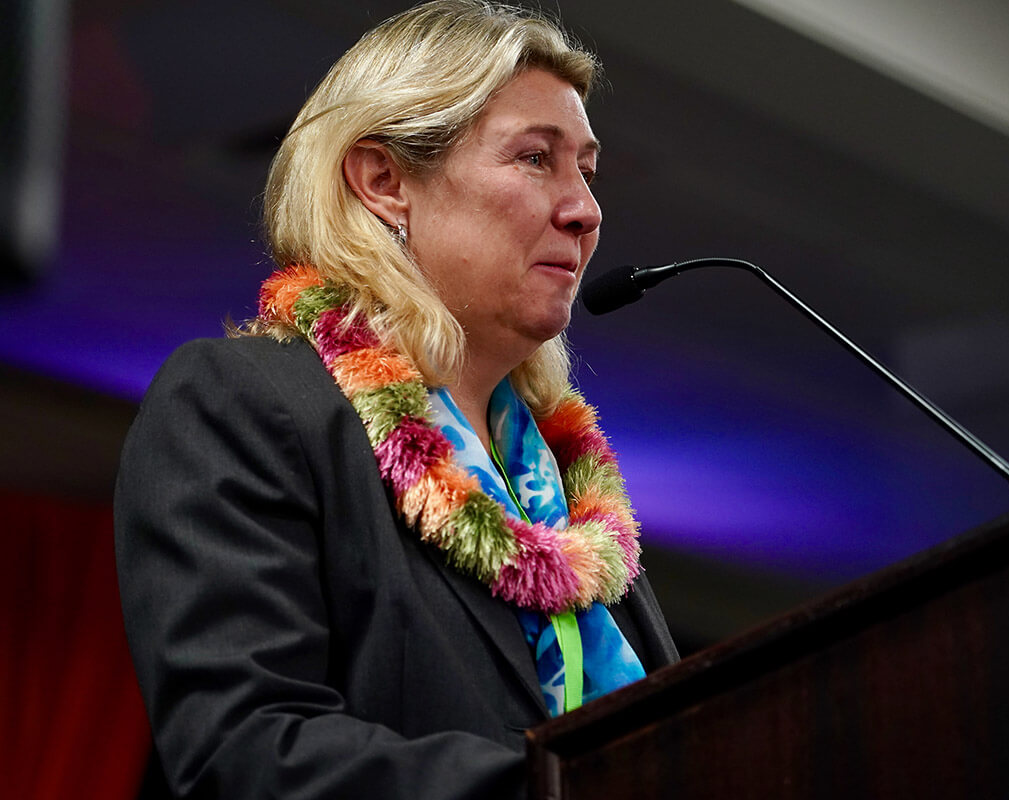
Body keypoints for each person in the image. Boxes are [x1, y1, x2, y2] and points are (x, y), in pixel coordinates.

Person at [113, 2, 678, 798]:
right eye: (535, 158)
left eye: (585, 168)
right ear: (384, 181)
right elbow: (246, 749)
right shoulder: (246, 404)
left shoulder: (563, 486)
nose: (585, 210)